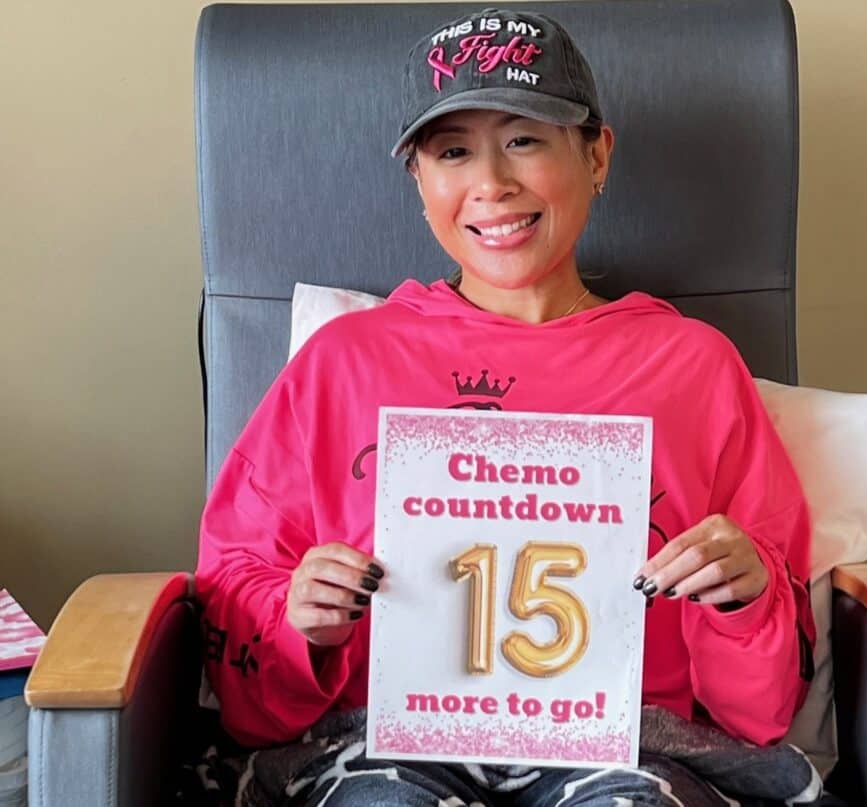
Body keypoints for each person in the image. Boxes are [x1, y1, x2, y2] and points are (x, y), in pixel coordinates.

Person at [194, 7, 817, 805]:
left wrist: (746, 590)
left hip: (628, 747)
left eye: (524, 138)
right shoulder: (343, 362)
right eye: (454, 151)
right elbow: (237, 626)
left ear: (597, 154)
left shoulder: (692, 365)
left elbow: (759, 708)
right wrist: (299, 620)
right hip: (381, 745)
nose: (492, 183)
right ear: (420, 182)